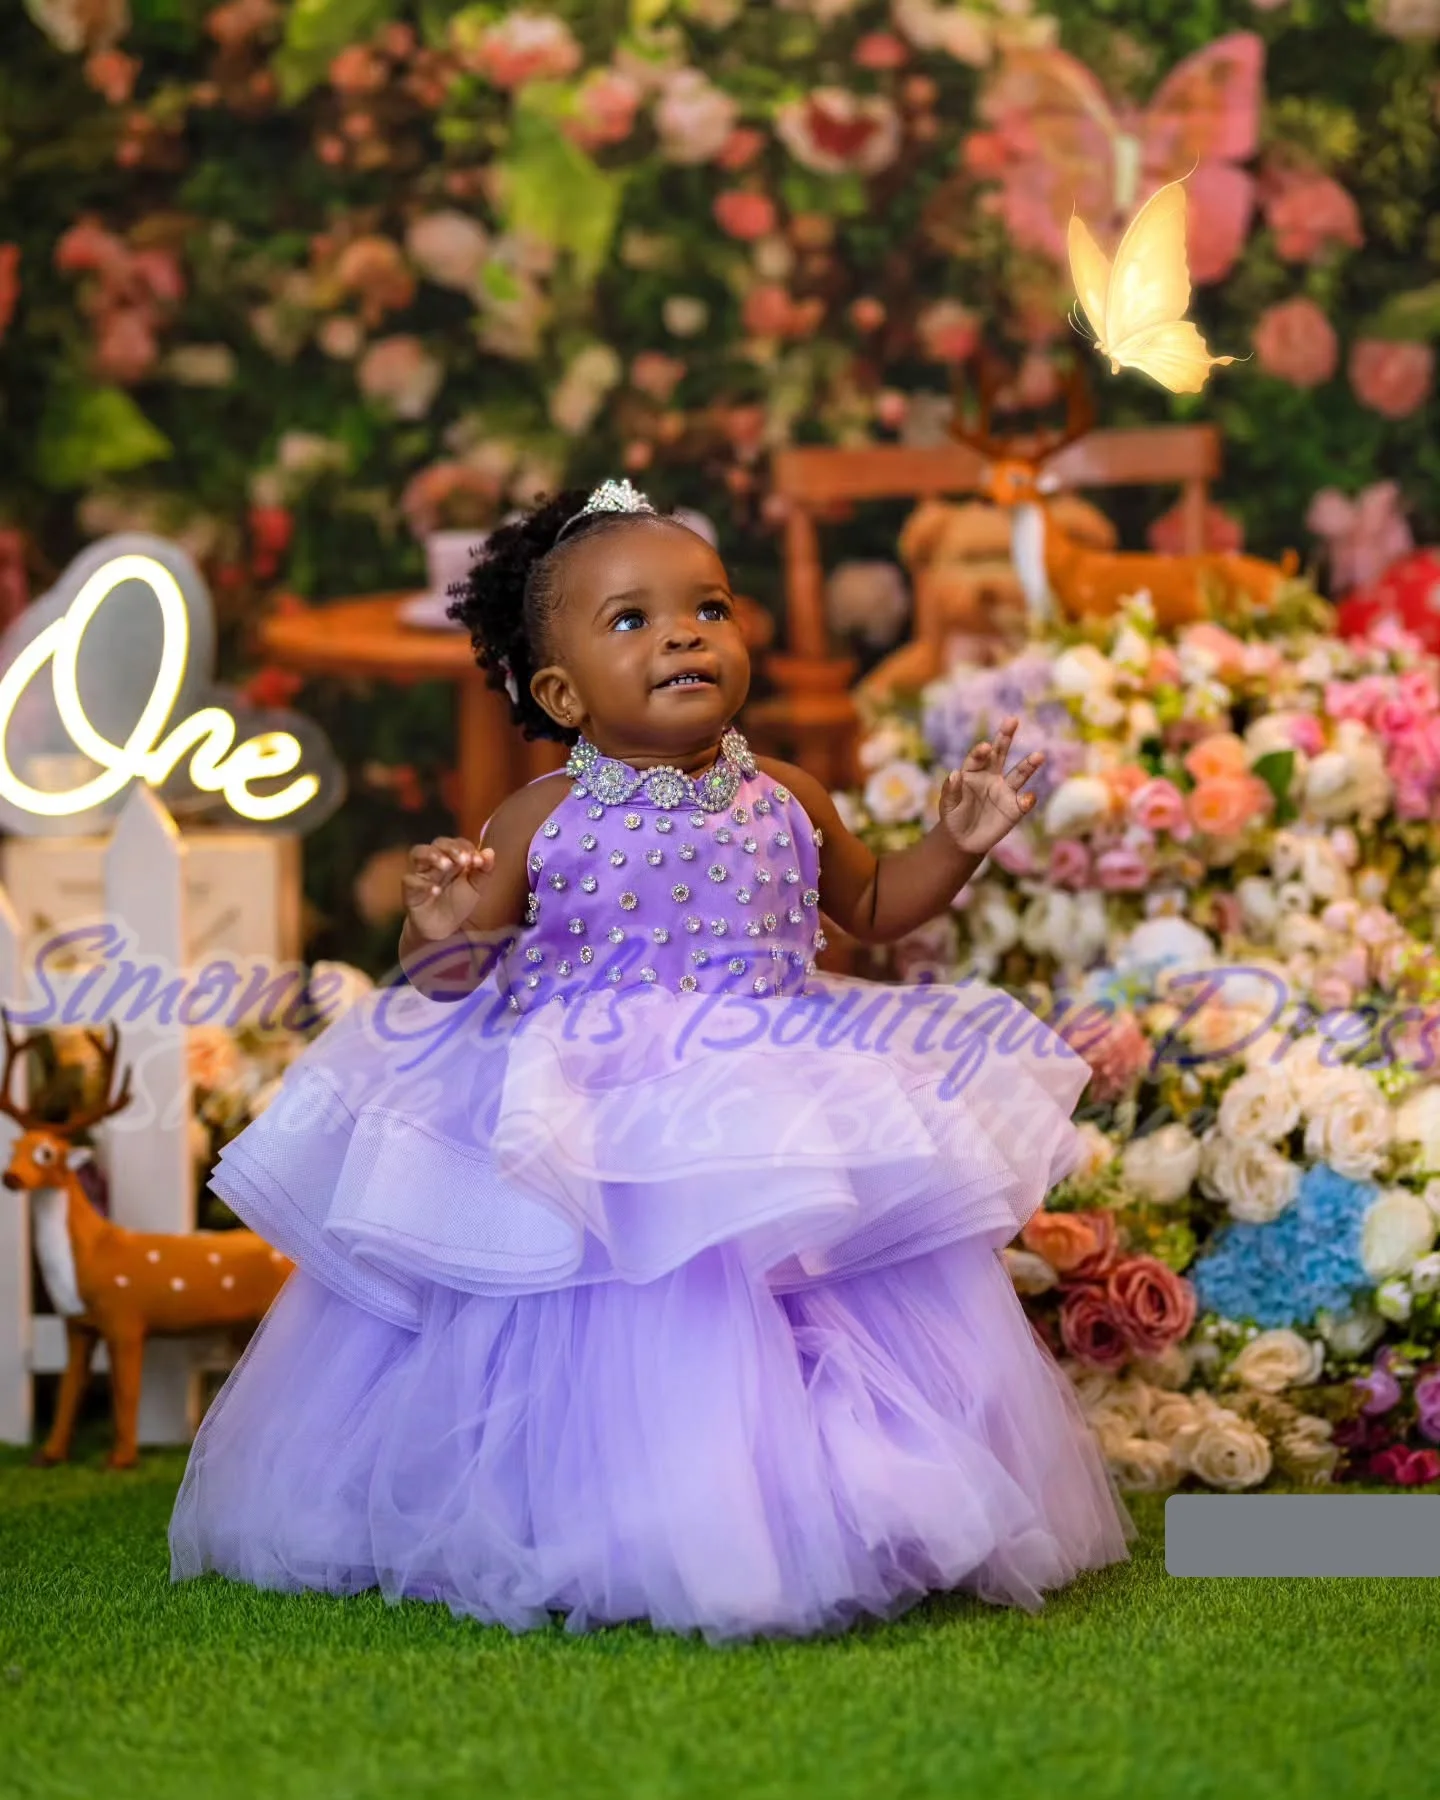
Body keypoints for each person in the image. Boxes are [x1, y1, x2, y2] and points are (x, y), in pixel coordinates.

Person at [170, 478, 1133, 1641]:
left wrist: (956, 844)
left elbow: (874, 906)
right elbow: (453, 984)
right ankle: (619, 1512)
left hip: (776, 1078)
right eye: (631, 619)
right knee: (616, 1307)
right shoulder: (536, 818)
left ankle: (820, 1500)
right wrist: (437, 931)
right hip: (598, 1106)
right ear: (561, 690)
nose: (684, 633)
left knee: (799, 1288)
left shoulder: (791, 798)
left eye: (709, 608)